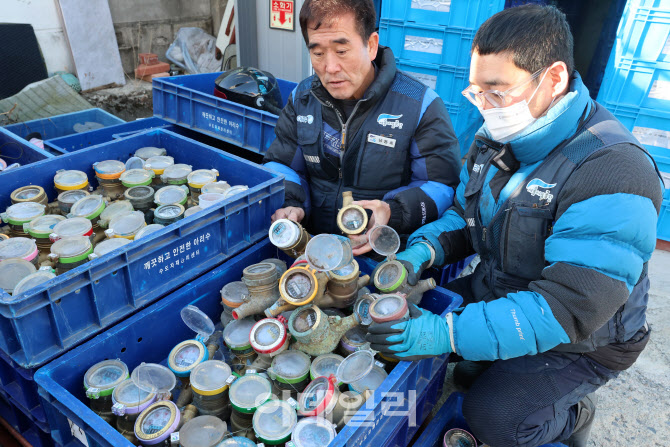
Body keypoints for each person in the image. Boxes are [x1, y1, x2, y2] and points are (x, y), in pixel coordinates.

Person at [366, 5, 663, 447]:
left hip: (585, 336)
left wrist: (445, 333)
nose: (485, 107)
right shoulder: (496, 136)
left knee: (493, 417)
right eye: (477, 92)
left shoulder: (614, 171)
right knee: (423, 339)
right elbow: (468, 219)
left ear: (555, 78)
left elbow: (568, 307)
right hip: (506, 288)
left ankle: (575, 415)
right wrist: (423, 251)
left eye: (497, 92)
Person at [263, 0, 461, 254]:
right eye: (318, 53)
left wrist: (393, 211)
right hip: (312, 247)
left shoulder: (420, 105)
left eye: (342, 51)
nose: (330, 67)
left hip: (386, 253)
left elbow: (442, 184)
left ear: (371, 45)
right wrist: (291, 203)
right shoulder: (302, 98)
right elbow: (281, 163)